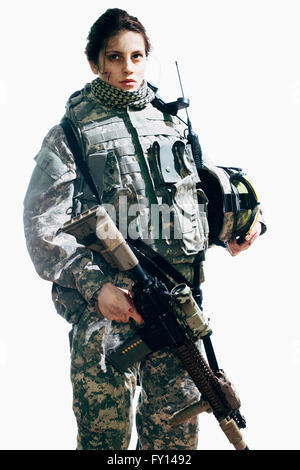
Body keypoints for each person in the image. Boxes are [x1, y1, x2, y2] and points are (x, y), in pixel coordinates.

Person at [23, 8, 266, 450]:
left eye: (136, 57)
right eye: (114, 58)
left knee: (174, 442)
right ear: (95, 62)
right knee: (105, 441)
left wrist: (236, 228)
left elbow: (198, 196)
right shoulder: (71, 133)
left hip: (176, 305)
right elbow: (42, 228)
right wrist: (96, 288)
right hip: (108, 314)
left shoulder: (172, 122)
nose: (127, 68)